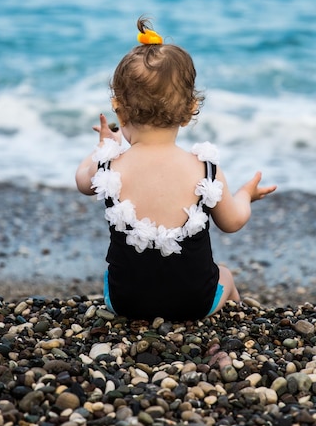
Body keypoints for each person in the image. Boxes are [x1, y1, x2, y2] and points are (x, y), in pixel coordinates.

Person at [76, 17, 276, 322]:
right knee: (225, 275)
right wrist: (245, 195)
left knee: (116, 271)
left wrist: (105, 145)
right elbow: (233, 221)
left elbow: (81, 182)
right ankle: (239, 315)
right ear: (189, 111)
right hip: (194, 303)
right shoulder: (204, 168)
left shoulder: (108, 164)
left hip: (124, 301)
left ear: (120, 109)